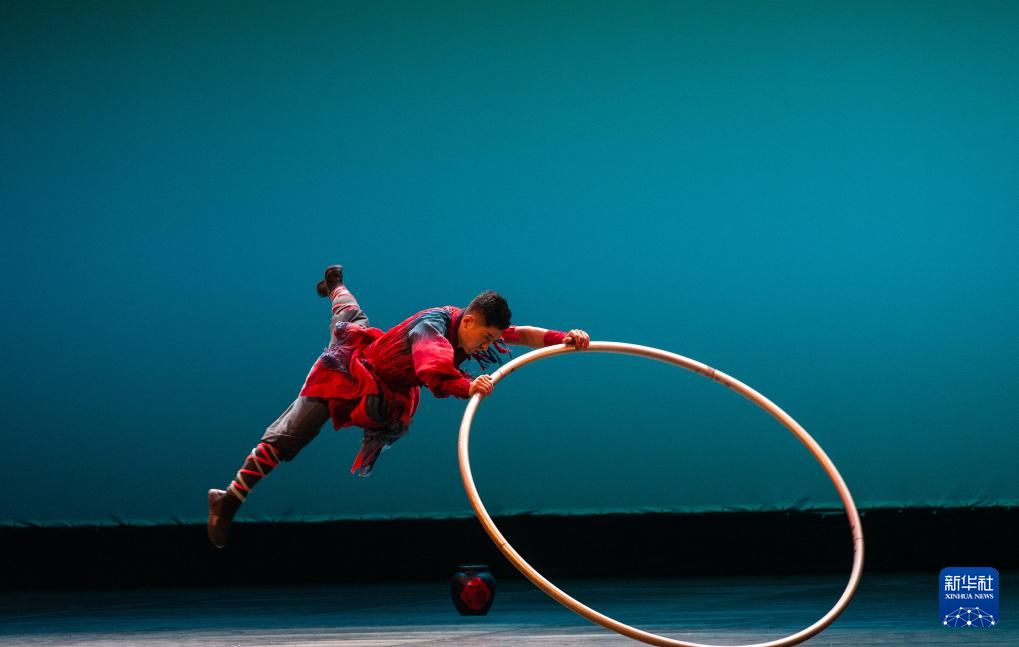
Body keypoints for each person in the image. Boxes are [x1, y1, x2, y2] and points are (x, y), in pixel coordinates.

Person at [207, 265, 590, 548]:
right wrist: (468, 384)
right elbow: (431, 368)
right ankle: (229, 498)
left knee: (348, 313)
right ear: (469, 320)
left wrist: (564, 338)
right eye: (487, 338)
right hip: (349, 370)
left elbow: (521, 334)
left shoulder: (471, 326)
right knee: (293, 433)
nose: (489, 346)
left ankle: (335, 284)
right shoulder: (432, 328)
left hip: (385, 379)